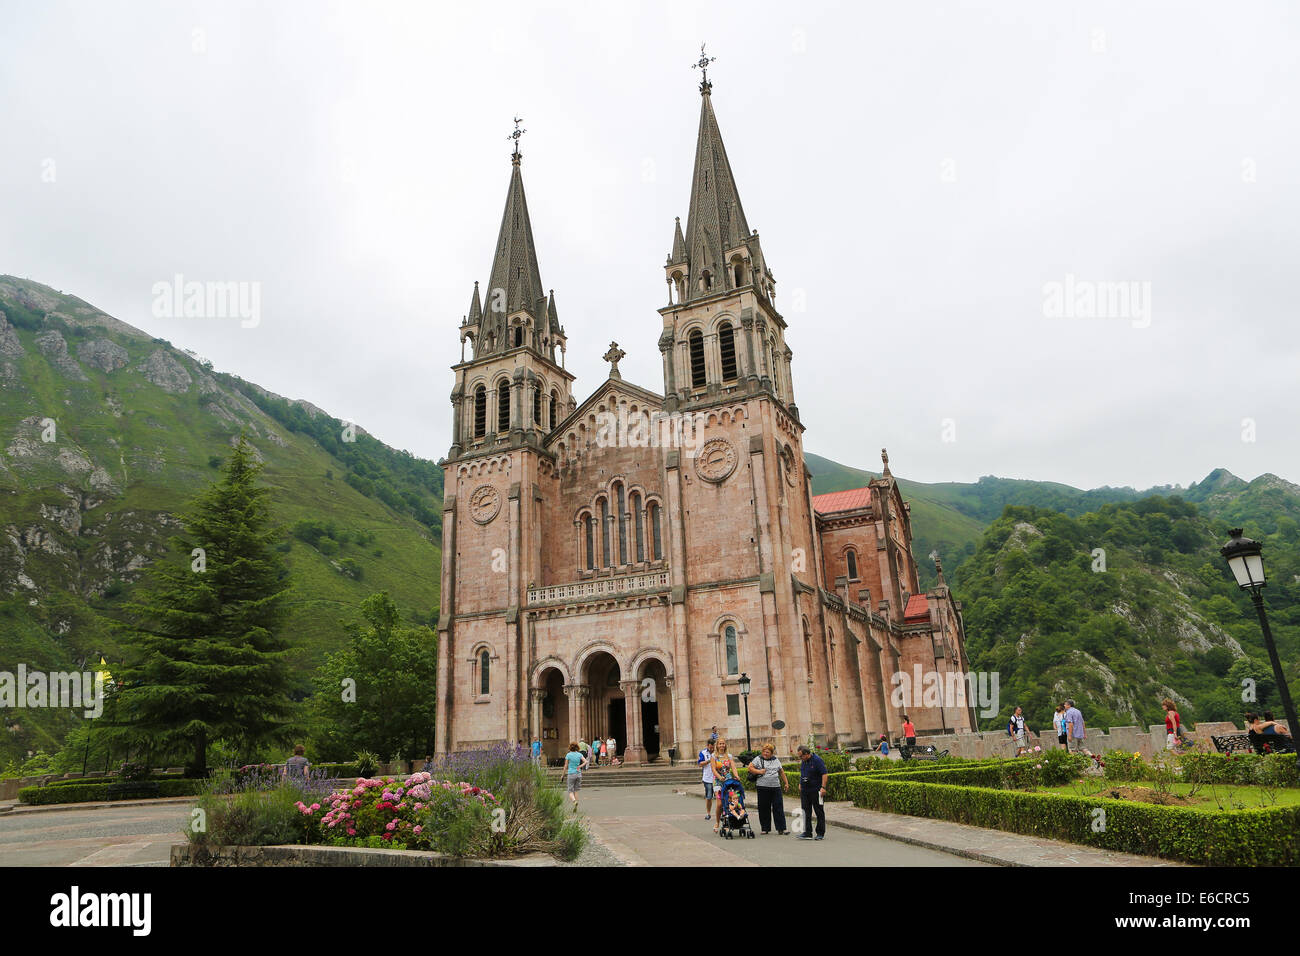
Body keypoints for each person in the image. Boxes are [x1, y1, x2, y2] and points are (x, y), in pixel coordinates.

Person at [747, 743, 789, 835]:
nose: (765, 754)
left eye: (768, 752)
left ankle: (781, 828)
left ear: (772, 753)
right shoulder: (758, 759)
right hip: (762, 787)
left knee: (778, 807)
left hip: (776, 787)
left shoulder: (776, 760)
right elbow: (750, 768)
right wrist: (759, 771)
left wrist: (786, 783)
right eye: (764, 752)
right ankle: (765, 828)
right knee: (763, 807)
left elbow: (781, 772)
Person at [795, 745, 828, 841]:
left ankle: (820, 833)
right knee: (805, 811)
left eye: (801, 756)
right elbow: (803, 773)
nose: (800, 758)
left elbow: (824, 774)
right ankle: (807, 832)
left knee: (819, 811)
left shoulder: (817, 760)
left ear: (807, 754)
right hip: (805, 790)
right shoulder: (804, 761)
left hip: (816, 790)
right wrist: (800, 783)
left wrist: (823, 787)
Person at [711, 740, 739, 833]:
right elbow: (714, 769)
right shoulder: (714, 756)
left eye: (723, 743)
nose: (722, 745)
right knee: (719, 804)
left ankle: (727, 822)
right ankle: (717, 822)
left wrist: (736, 775)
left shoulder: (729, 756)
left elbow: (733, 767)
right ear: (717, 745)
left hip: (728, 780)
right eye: (720, 744)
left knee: (728, 802)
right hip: (718, 781)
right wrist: (719, 777)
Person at [563, 742, 588, 810]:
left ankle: (574, 801)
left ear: (570, 747)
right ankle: (576, 805)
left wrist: (563, 775)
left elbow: (565, 766)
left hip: (571, 773)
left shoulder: (568, 755)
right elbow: (586, 761)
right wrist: (580, 766)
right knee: (576, 790)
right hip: (578, 773)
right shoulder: (579, 754)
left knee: (570, 791)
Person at [698, 739, 716, 820]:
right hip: (707, 778)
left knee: (720, 797)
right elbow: (700, 764)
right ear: (707, 746)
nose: (712, 749)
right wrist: (709, 761)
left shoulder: (717, 752)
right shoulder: (703, 753)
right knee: (709, 797)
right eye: (711, 747)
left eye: (713, 747)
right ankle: (708, 813)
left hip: (717, 778)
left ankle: (722, 813)